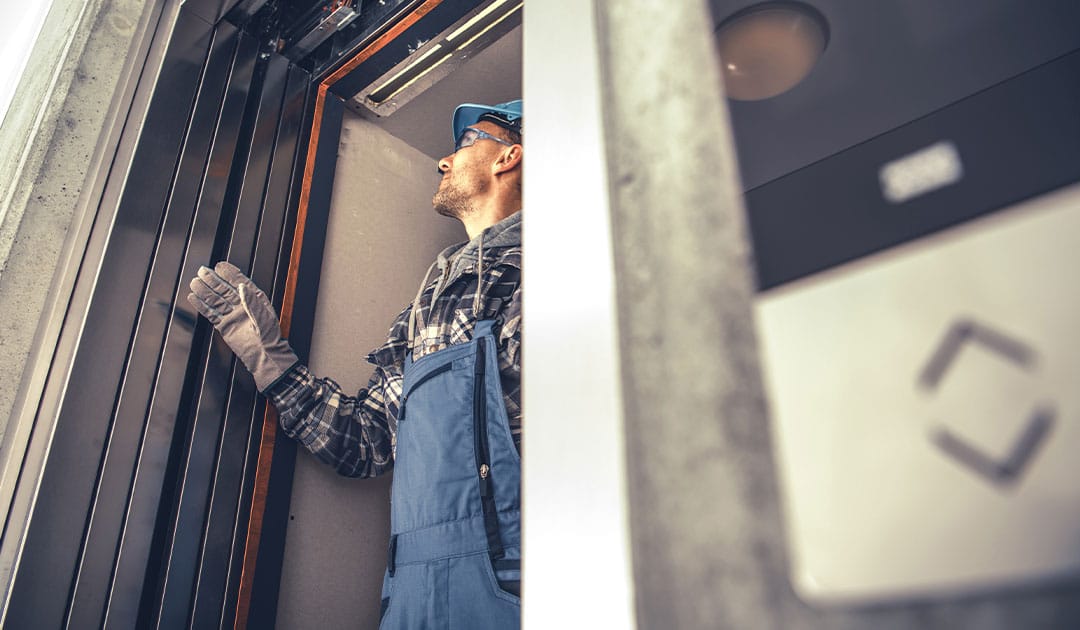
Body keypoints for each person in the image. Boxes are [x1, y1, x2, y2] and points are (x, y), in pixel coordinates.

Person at [187, 100, 524, 629]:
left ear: (510, 156)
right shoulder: (423, 310)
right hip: (411, 598)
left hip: (524, 587)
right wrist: (268, 355)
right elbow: (365, 443)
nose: (442, 161)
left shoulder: (555, 267)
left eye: (465, 142)